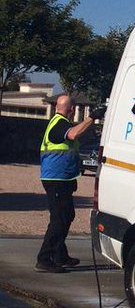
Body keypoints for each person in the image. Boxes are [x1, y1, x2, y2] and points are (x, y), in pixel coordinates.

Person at [36, 94, 96, 273]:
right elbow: (74, 133)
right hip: (55, 179)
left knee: (66, 215)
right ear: (71, 110)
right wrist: (92, 118)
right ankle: (45, 259)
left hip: (63, 179)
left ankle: (60, 255)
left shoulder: (58, 122)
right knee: (58, 219)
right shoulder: (59, 124)